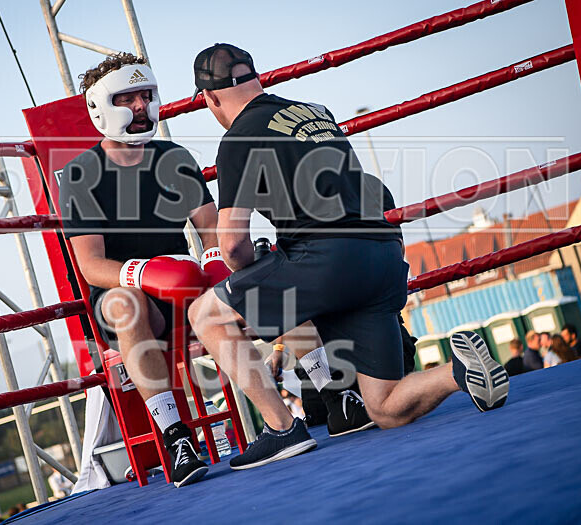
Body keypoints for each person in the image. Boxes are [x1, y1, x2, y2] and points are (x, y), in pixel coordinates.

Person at [186, 43, 509, 471]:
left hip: (328, 260)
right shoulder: (316, 112)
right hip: (382, 257)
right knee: (385, 407)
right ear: (255, 77)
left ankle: (281, 429)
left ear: (209, 98)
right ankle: (457, 372)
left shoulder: (238, 137)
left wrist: (247, 276)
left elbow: (231, 245)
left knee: (206, 314)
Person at [60, 52, 224, 487]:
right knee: (125, 302)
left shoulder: (174, 157)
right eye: (128, 98)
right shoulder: (81, 174)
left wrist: (214, 262)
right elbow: (91, 265)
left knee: (263, 261)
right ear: (101, 105)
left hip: (182, 284)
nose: (140, 106)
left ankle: (318, 395)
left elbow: (211, 228)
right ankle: (176, 437)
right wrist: (143, 274)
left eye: (146, 95)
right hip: (125, 296)